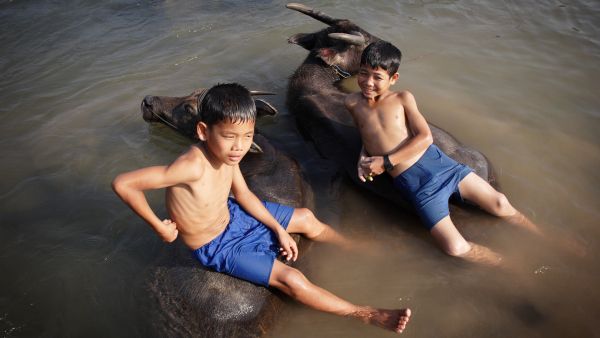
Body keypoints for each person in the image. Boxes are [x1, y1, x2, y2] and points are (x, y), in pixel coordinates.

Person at [112, 83, 411, 333]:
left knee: (306, 218)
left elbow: (243, 195)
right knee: (291, 279)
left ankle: (354, 246)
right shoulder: (190, 166)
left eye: (247, 136)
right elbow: (124, 183)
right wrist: (159, 226)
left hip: (234, 217)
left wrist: (278, 229)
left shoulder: (229, 157)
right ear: (203, 131)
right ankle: (363, 313)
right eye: (229, 137)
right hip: (217, 244)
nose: (239, 147)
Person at [345, 41, 542, 265]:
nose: (368, 82)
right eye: (363, 73)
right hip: (418, 186)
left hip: (443, 167)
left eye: (377, 77)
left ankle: (543, 237)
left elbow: (425, 137)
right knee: (455, 248)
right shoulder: (351, 103)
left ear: (393, 79)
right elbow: (365, 133)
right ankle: (510, 264)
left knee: (500, 203)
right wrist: (363, 156)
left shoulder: (402, 98)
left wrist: (386, 162)